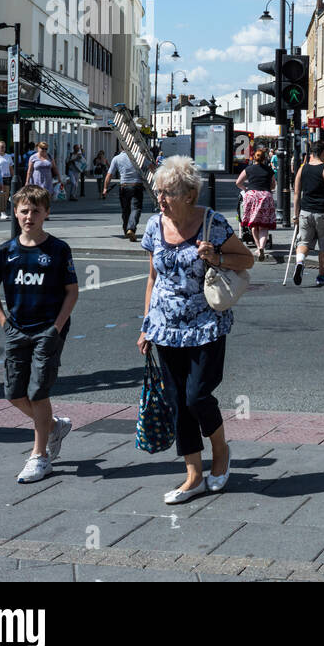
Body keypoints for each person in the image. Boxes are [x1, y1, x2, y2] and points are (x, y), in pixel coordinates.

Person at [138, 157, 254, 505]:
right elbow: (152, 278)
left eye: (168, 192)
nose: (160, 199)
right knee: (177, 401)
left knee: (197, 396)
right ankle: (193, 475)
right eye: (157, 192)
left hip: (205, 325)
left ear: (189, 194)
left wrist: (216, 256)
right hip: (165, 328)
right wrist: (146, 325)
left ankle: (220, 453)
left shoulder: (212, 223)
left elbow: (246, 260)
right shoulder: (154, 226)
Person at [0, 184, 78, 483]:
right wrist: (4, 322)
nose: (29, 216)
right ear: (15, 212)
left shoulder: (58, 249)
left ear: (46, 213)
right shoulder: (6, 251)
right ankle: (53, 426)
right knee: (13, 393)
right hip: (17, 329)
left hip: (48, 329)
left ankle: (40, 457)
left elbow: (72, 292)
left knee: (38, 391)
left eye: (36, 211)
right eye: (24, 210)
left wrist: (56, 328)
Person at [291, 141, 324, 286]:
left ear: (311, 153)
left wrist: (295, 214)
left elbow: (297, 193)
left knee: (303, 241)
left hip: (305, 211)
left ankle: (300, 262)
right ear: (323, 152)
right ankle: (321, 274)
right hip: (323, 211)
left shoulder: (302, 169)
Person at [235, 148, 276, 261]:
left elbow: (238, 182)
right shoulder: (269, 170)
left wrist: (246, 189)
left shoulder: (248, 169)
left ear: (255, 158)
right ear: (264, 158)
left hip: (252, 196)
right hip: (265, 197)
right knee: (264, 225)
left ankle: (258, 248)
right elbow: (273, 185)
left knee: (254, 225)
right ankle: (262, 247)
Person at [104, 146, 146, 241]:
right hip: (137, 185)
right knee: (136, 208)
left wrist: (105, 188)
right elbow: (151, 167)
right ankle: (131, 228)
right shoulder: (139, 156)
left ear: (121, 148)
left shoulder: (117, 158)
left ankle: (126, 229)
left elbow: (109, 174)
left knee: (125, 209)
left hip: (124, 186)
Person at [25, 142, 57, 206]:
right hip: (36, 180)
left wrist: (59, 178)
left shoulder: (50, 157)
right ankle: (39, 212)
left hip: (47, 181)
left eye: (46, 149)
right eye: (42, 148)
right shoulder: (33, 157)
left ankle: (44, 212)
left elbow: (55, 168)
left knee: (47, 198)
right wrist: (27, 181)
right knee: (37, 198)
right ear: (38, 148)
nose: (44, 150)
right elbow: (30, 170)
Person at [0, 141, 14, 220]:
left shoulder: (8, 156)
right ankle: (0, 210)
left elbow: (11, 167)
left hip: (7, 177)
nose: (3, 148)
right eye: (1, 147)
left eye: (4, 147)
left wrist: (13, 177)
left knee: (6, 195)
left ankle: (2, 210)